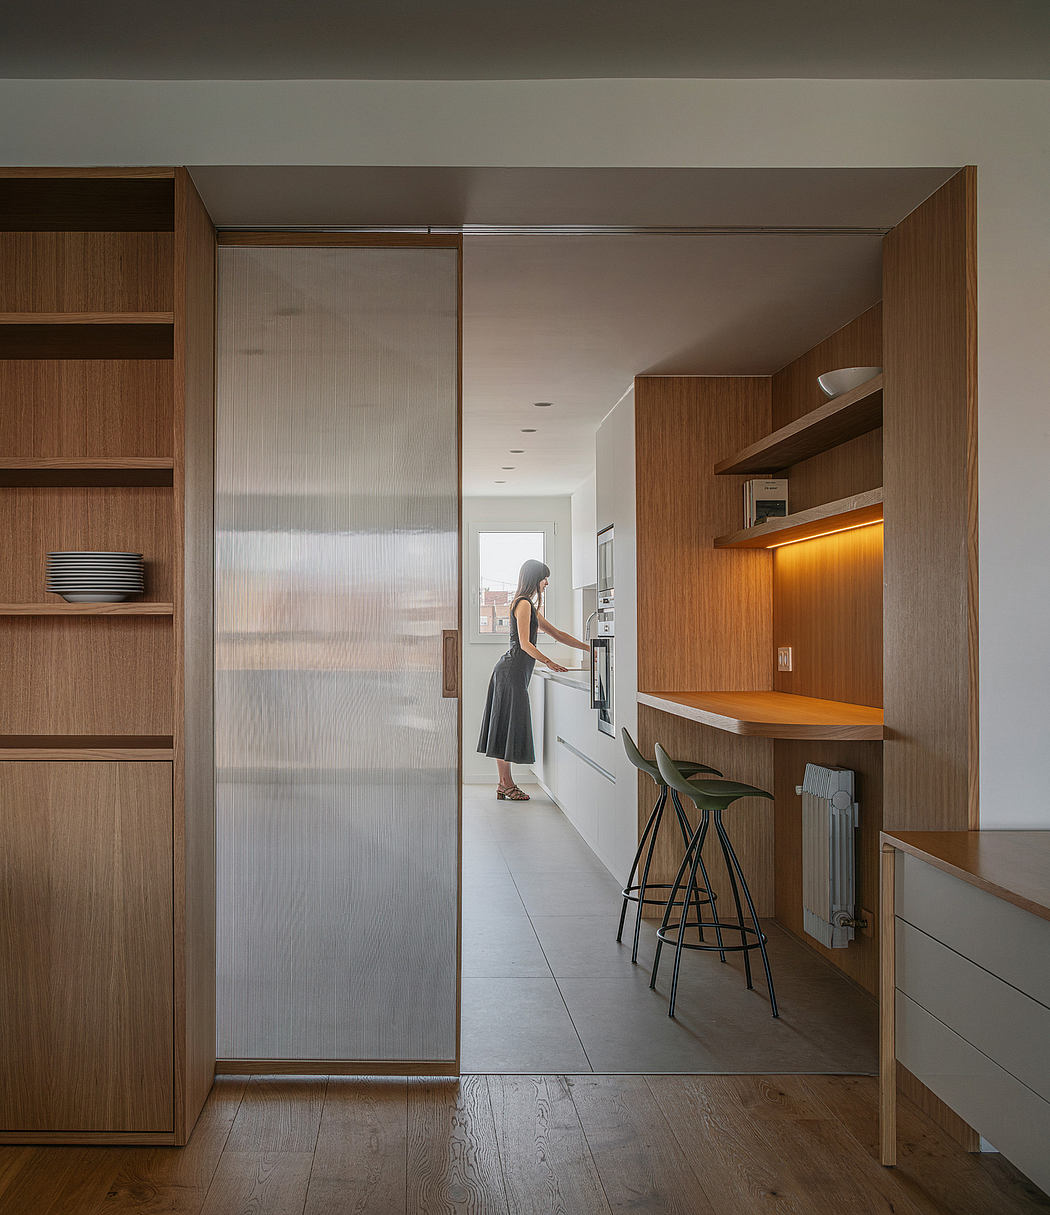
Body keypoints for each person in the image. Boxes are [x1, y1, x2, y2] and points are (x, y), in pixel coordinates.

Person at [477, 558, 590, 800]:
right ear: (534, 578)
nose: (546, 582)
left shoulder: (528, 605)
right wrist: (549, 662)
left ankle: (503, 784)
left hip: (513, 671)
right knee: (505, 724)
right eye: (544, 577)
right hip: (511, 672)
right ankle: (506, 784)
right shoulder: (524, 604)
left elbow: (558, 634)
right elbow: (525, 644)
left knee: (505, 723)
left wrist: (591, 649)